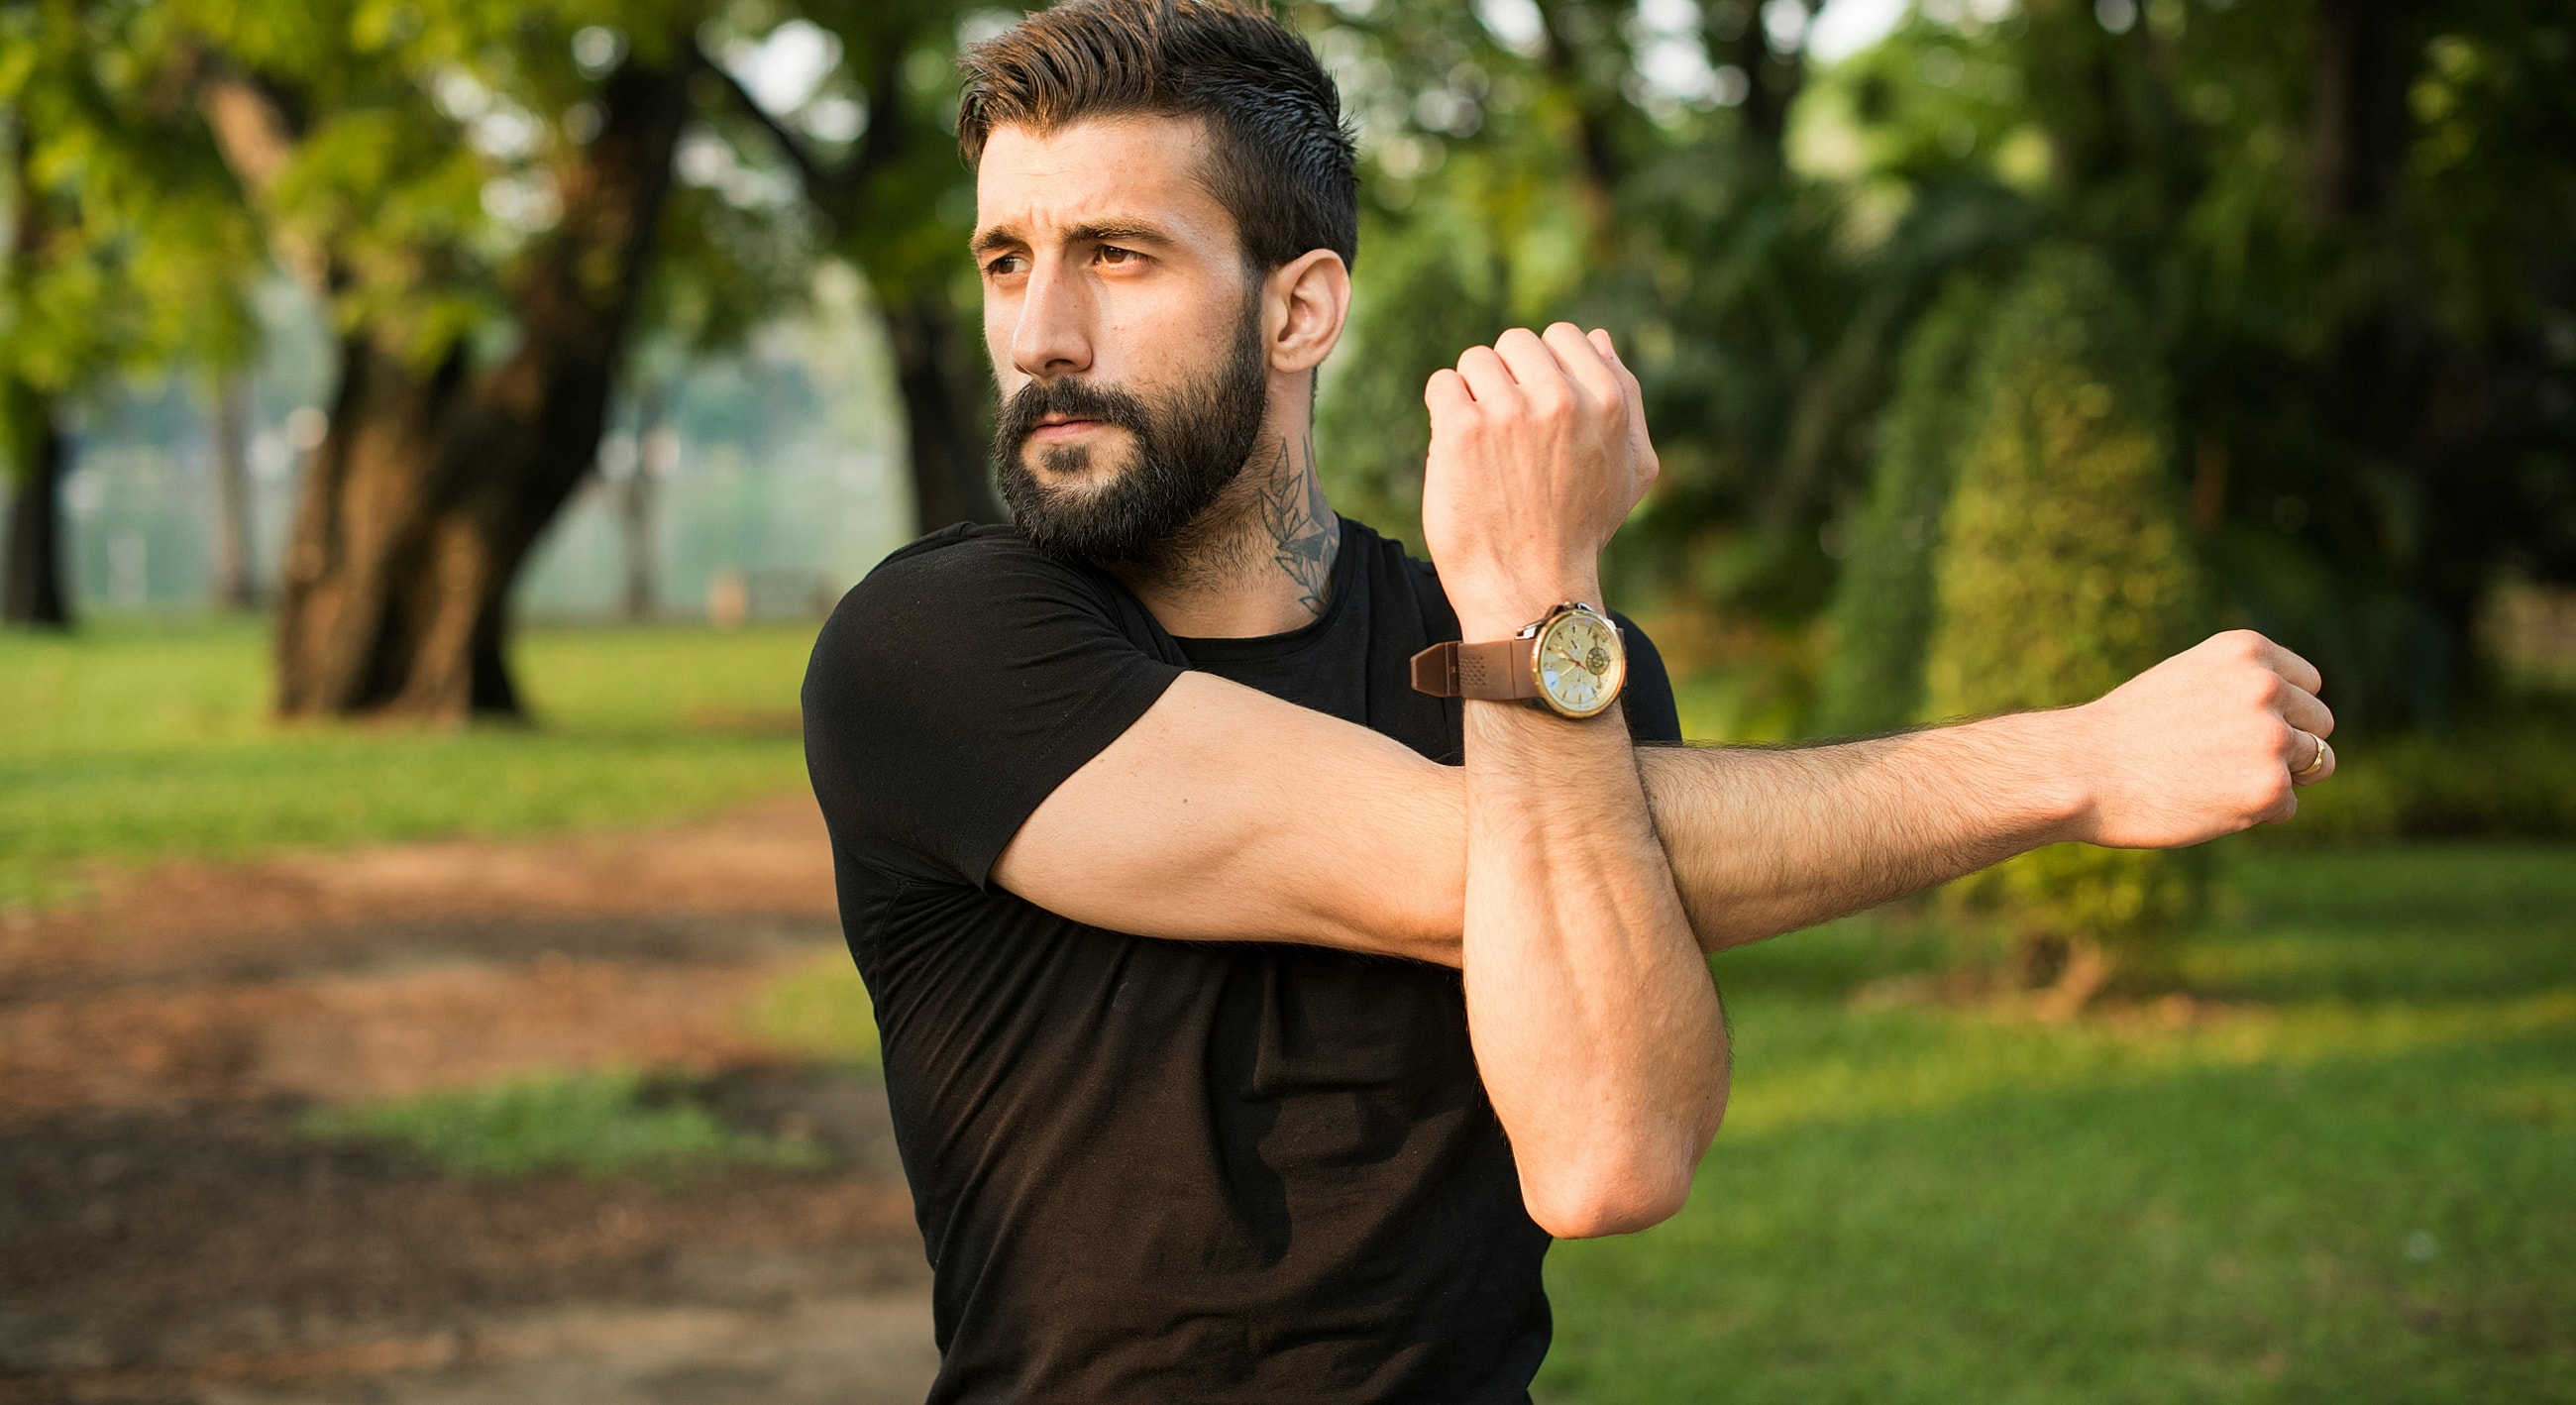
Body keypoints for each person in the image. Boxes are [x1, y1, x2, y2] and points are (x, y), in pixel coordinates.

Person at [799, 2, 2338, 1399]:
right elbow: (1461, 854)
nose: (1038, 335)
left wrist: (1535, 588)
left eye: (1115, 256)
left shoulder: (1559, 668)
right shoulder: (934, 648)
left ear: (1300, 311)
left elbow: (1611, 1153)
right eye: (1009, 259)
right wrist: (2075, 763)